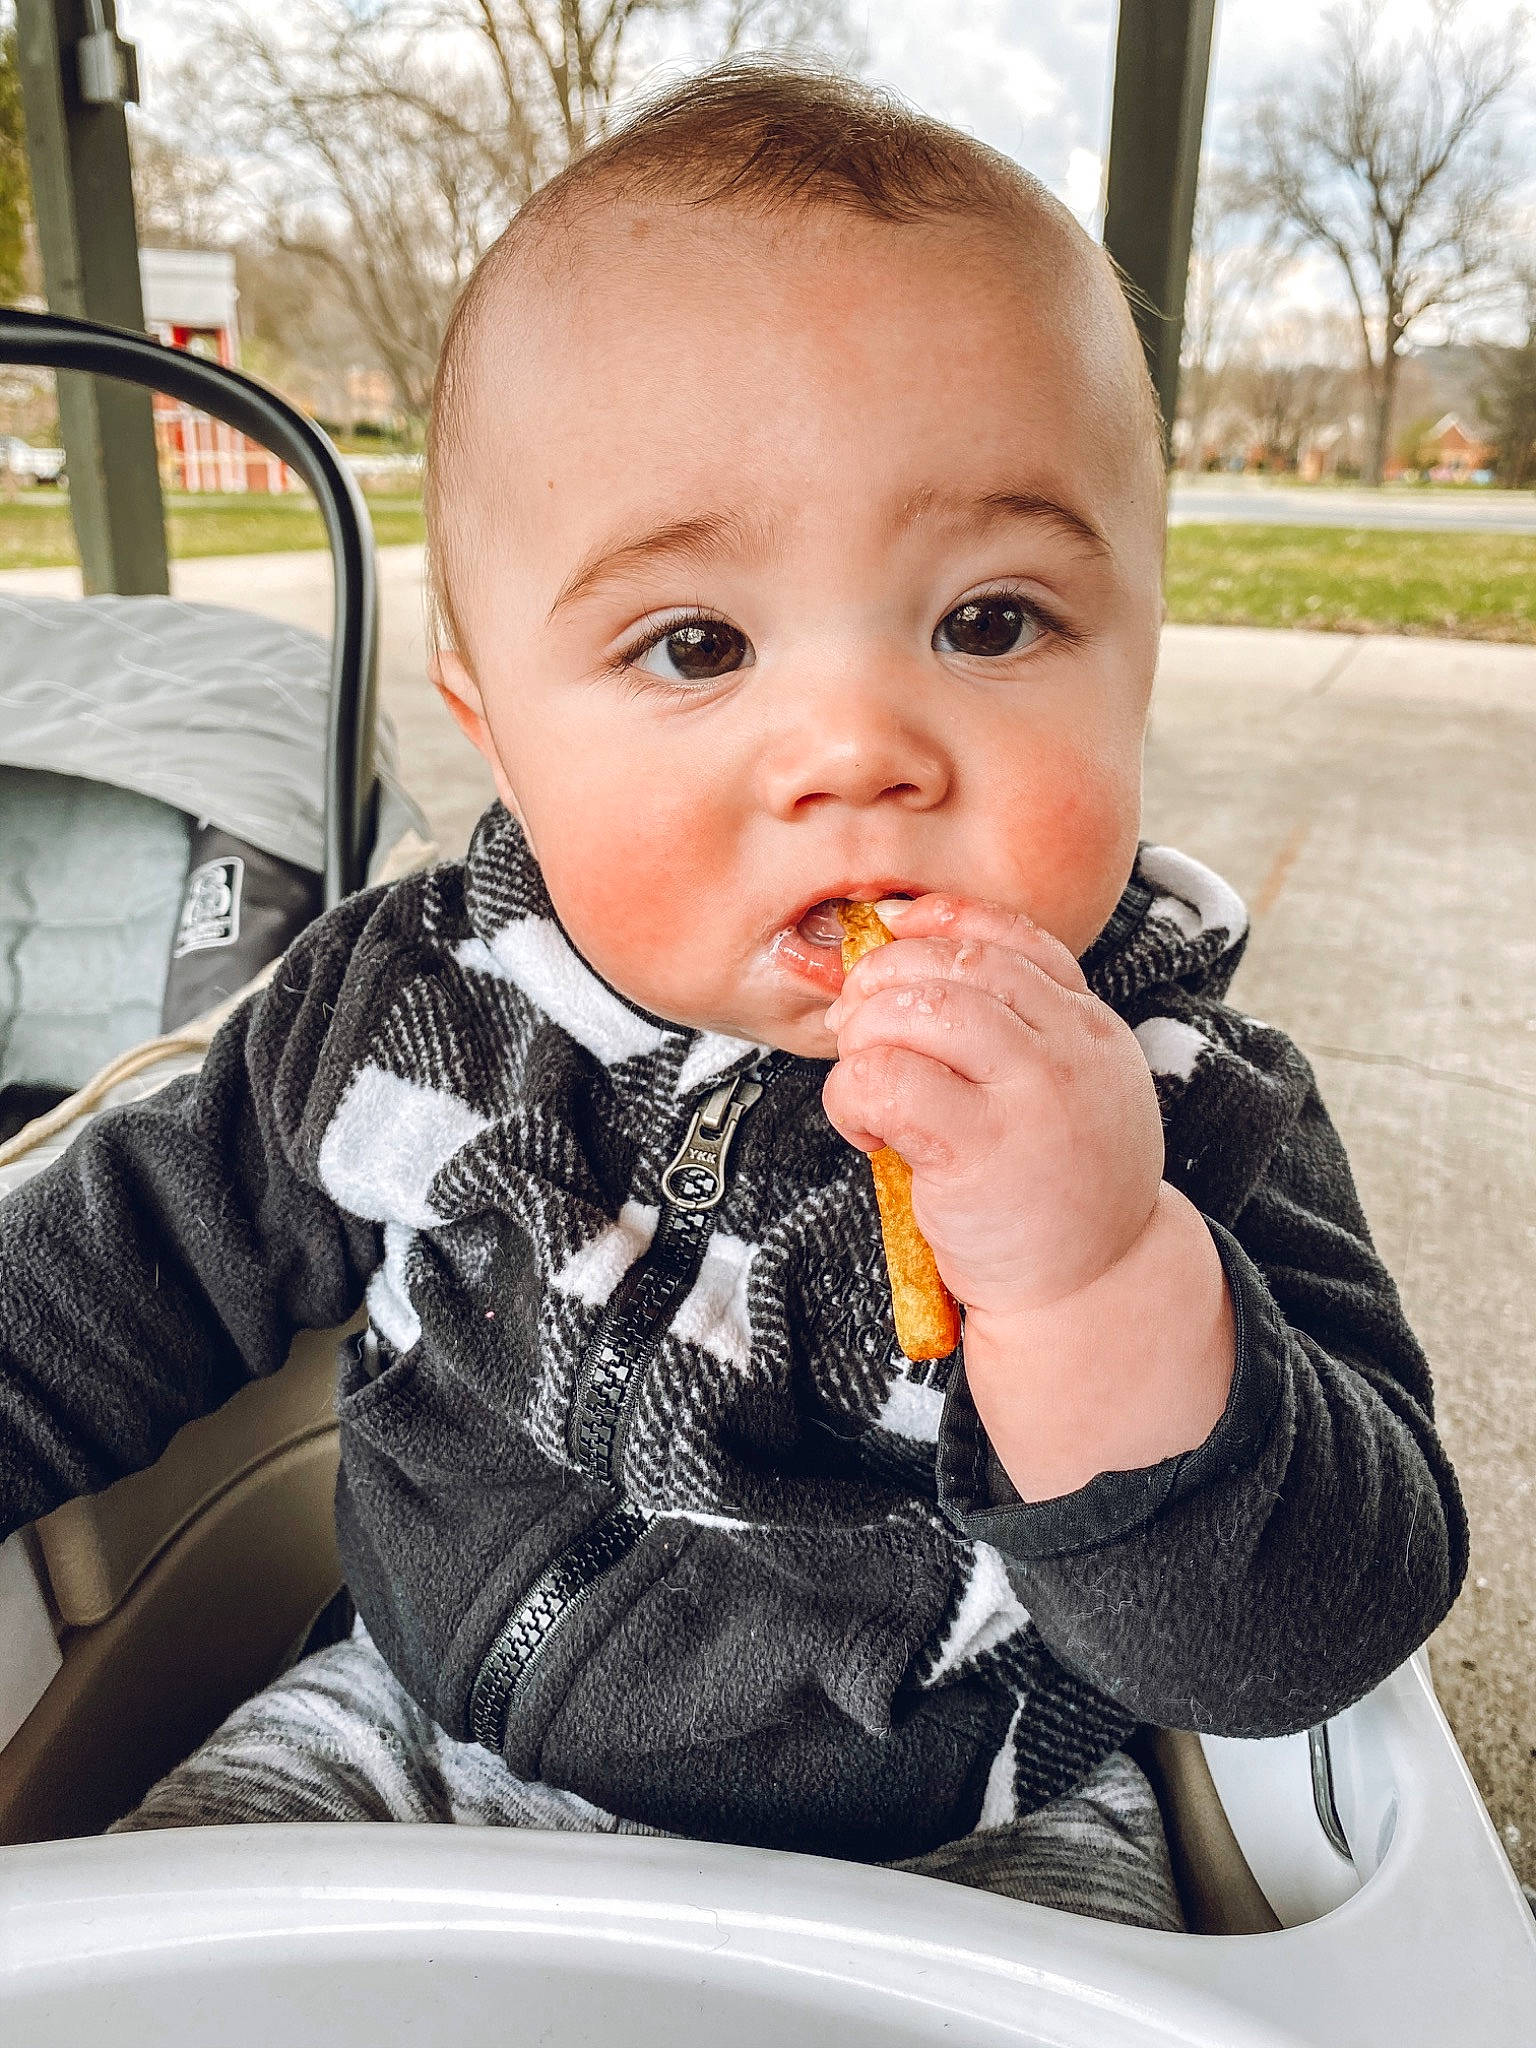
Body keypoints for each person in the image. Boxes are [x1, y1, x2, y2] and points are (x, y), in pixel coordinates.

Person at [0, 63, 1466, 1933]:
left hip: (977, 1836)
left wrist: (1100, 1282)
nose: (857, 748)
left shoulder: (1180, 1096)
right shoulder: (414, 1008)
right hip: (410, 1746)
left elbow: (1310, 1643)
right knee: (149, 1968)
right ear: (496, 728)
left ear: (1143, 650)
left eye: (992, 621)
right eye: (696, 644)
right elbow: (94, 1293)